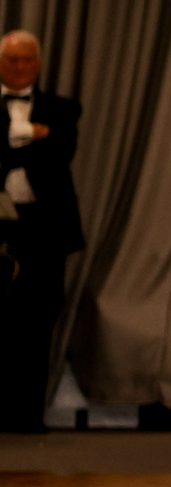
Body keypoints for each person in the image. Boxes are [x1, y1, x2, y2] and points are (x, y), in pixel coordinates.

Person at [1, 28, 85, 434]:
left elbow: (60, 153)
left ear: (38, 64)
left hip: (44, 230)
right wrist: (36, 135)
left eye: (27, 59)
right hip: (0, 225)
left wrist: (32, 138)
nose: (20, 67)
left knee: (37, 321)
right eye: (12, 59)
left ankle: (28, 414)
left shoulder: (62, 109)